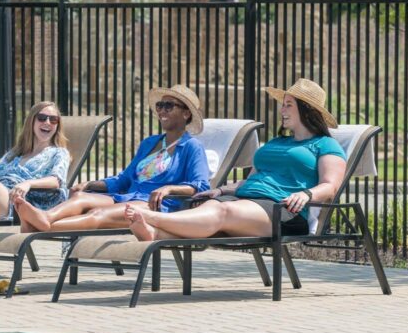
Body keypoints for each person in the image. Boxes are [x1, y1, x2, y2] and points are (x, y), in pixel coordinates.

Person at [123, 78, 347, 242]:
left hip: (283, 211)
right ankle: (154, 234)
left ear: (306, 110)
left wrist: (306, 194)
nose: (282, 109)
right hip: (245, 200)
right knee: (213, 207)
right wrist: (220, 191)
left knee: (223, 214)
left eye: (288, 104)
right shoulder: (276, 143)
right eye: (283, 104)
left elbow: (330, 186)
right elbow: (251, 179)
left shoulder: (325, 145)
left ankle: (153, 218)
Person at [14, 84, 210, 233]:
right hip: (128, 197)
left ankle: (42, 227)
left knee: (98, 214)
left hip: (153, 206)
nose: (162, 110)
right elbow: (124, 179)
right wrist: (92, 183)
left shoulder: (191, 147)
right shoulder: (150, 143)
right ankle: (46, 218)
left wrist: (169, 188)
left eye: (169, 106)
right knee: (81, 197)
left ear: (186, 114)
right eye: (160, 106)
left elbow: (201, 185)